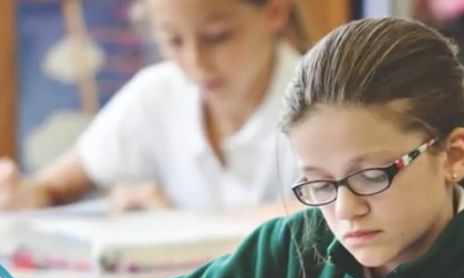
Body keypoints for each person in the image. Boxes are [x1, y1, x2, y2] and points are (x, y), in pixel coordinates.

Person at [7, 17, 464, 278]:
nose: (345, 209)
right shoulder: (294, 247)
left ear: (453, 156)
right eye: (319, 183)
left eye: (372, 175)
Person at [0, 0, 300, 214]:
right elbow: (52, 188)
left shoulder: (320, 98)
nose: (196, 63)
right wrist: (22, 194)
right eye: (173, 40)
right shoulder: (157, 94)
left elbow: (324, 215)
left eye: (217, 37)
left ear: (275, 11)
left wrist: (179, 225)